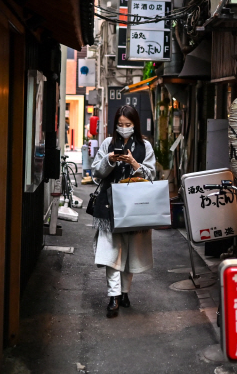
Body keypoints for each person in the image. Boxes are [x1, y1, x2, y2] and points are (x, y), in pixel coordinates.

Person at [90, 105, 156, 318]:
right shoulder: (108, 144)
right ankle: (113, 296)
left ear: (135, 124)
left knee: (131, 252)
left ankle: (124, 292)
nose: (124, 129)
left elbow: (152, 176)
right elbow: (96, 172)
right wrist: (110, 159)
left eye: (128, 125)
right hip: (109, 205)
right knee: (112, 251)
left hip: (136, 206)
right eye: (120, 125)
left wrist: (134, 163)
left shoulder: (145, 146)